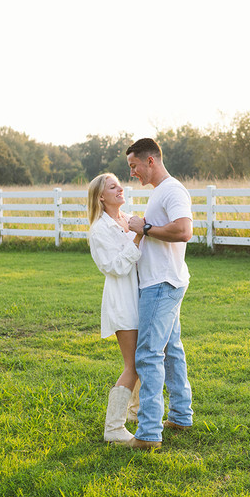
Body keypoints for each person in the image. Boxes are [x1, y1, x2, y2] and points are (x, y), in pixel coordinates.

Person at [124, 138, 194, 451]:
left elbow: (183, 231)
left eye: (134, 166)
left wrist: (146, 228)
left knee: (149, 354)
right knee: (172, 350)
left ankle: (149, 433)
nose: (132, 173)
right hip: (165, 280)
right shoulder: (159, 193)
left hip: (162, 283)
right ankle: (180, 415)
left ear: (150, 161)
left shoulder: (172, 190)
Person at [87, 173, 144, 443]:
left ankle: (135, 411)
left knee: (143, 358)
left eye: (119, 183)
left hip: (142, 295)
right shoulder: (99, 230)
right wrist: (137, 240)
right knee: (132, 364)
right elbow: (114, 267)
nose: (120, 188)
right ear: (101, 197)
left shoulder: (129, 219)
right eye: (112, 186)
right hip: (122, 299)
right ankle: (113, 428)